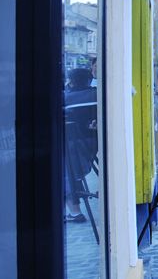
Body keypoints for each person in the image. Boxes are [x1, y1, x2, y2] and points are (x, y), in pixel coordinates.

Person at [64, 67, 98, 223]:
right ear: (89, 80)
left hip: (74, 146)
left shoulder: (66, 98)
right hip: (95, 144)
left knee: (65, 173)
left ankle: (75, 212)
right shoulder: (97, 94)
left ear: (71, 82)